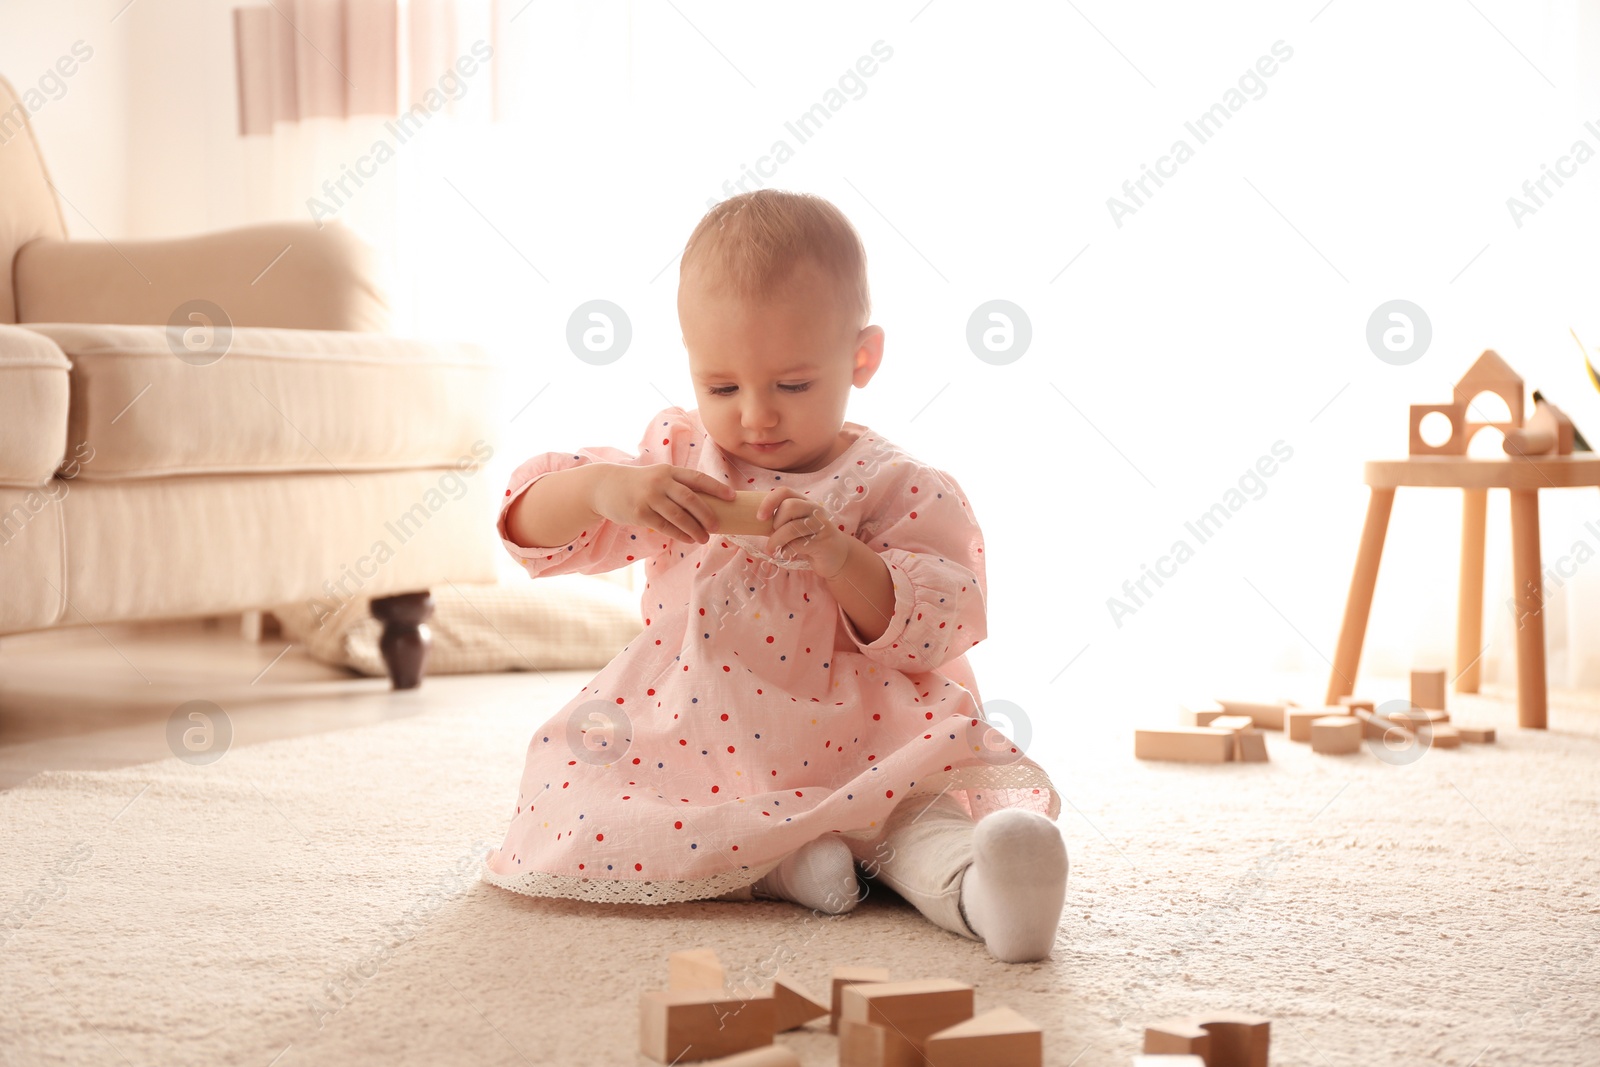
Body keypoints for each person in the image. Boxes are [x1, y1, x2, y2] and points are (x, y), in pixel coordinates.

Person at [483, 189, 1068, 962]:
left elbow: (941, 622)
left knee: (915, 822)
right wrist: (602, 490)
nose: (755, 416)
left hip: (864, 737)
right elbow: (528, 528)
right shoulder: (678, 463)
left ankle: (985, 891)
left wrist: (838, 556)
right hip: (695, 737)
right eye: (722, 387)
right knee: (585, 790)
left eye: (792, 385)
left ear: (861, 358)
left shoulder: (894, 485)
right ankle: (785, 866)